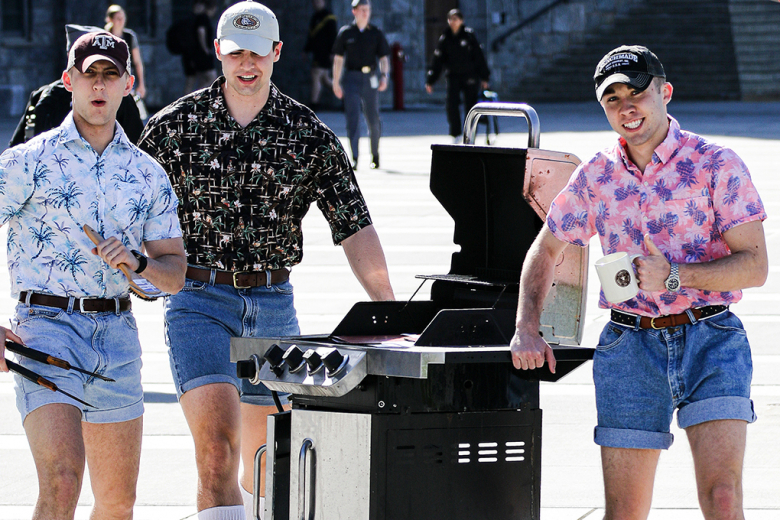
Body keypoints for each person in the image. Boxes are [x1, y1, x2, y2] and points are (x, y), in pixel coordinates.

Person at [138, 2, 395, 519]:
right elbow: (126, 210)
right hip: (198, 302)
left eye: (258, 52)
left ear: (278, 52)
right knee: (216, 457)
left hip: (275, 308)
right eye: (236, 53)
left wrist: (389, 310)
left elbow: (354, 225)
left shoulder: (307, 134)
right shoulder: (172, 129)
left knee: (265, 467)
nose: (247, 63)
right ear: (218, 53)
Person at [510, 45, 768, 519]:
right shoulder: (596, 176)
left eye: (638, 92)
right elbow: (545, 248)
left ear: (665, 92)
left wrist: (675, 275)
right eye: (613, 98)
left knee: (724, 499)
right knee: (625, 512)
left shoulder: (716, 163)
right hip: (630, 348)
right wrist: (527, 325)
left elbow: (755, 265)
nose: (627, 107)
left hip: (712, 338)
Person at [0, 31, 186, 520]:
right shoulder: (27, 161)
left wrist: (138, 263)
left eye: (110, 75)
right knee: (62, 480)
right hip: (44, 330)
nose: (99, 86)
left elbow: (175, 273)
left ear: (129, 84)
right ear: (69, 81)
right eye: (89, 75)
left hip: (117, 339)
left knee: (118, 503)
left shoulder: (149, 174)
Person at [9, 24, 144, 147]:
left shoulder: (43, 95)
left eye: (109, 72)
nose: (98, 85)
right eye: (89, 70)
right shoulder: (44, 96)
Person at [332, 0, 390, 170]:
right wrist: (336, 82)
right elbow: (338, 59)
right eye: (362, 10)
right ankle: (355, 157)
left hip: (370, 78)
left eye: (368, 10)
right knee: (353, 119)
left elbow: (384, 57)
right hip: (351, 78)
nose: (365, 13)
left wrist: (384, 76)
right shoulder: (346, 33)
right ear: (354, 11)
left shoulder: (376, 33)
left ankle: (375, 155)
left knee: (373, 119)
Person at [425, 9, 490, 143]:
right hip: (453, 76)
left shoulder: (469, 36)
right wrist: (431, 80)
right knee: (451, 105)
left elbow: (479, 57)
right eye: (451, 19)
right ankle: (456, 134)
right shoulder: (445, 38)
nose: (453, 22)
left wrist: (484, 77)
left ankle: (470, 134)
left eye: (456, 19)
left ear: (461, 21)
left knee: (471, 106)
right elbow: (438, 61)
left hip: (470, 76)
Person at [105, 5, 147, 99]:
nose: (121, 21)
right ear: (111, 20)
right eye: (118, 18)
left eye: (123, 18)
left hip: (127, 77)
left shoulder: (129, 37)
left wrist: (141, 84)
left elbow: (137, 61)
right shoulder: (105, 37)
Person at [303, 0, 338, 111]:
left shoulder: (329, 18)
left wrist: (332, 52)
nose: (316, 3)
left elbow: (333, 36)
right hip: (317, 52)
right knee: (325, 79)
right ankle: (345, 97)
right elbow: (311, 36)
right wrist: (306, 50)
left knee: (316, 76)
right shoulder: (315, 17)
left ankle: (314, 103)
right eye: (314, 2)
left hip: (324, 53)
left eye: (318, 1)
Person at [184, 0, 219, 95]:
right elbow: (201, 31)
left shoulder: (196, 18)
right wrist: (205, 48)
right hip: (201, 54)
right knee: (212, 78)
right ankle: (195, 98)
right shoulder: (203, 18)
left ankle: (195, 100)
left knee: (201, 80)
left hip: (194, 54)